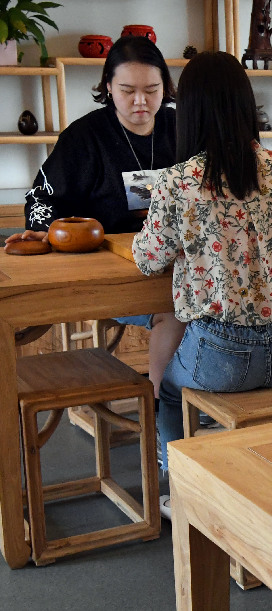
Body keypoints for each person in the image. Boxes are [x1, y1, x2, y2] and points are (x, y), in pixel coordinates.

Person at [131, 52, 272, 512]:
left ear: (189, 111)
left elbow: (148, 259)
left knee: (167, 391)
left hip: (222, 356)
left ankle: (178, 491)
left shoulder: (178, 182)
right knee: (197, 376)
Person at [4, 36, 186, 408]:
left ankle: (202, 401)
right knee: (174, 311)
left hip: (178, 263)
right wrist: (41, 230)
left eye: (152, 90)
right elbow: (42, 197)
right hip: (113, 273)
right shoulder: (84, 136)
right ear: (108, 87)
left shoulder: (181, 127)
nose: (140, 101)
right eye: (128, 91)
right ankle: (164, 409)